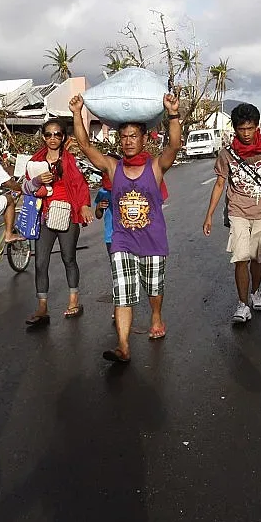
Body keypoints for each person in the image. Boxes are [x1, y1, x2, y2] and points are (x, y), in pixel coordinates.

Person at [70, 93, 182, 362]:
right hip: (122, 241)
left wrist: (173, 114)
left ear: (144, 139)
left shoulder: (155, 167)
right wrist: (76, 113)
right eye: (124, 137)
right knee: (122, 292)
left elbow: (174, 146)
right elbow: (84, 145)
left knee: (154, 289)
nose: (128, 141)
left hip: (153, 241)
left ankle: (156, 315)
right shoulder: (112, 167)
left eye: (134, 136)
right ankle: (123, 345)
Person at [202, 103, 261, 323]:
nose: (245, 133)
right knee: (240, 258)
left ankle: (256, 293)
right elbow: (219, 184)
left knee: (257, 257)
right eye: (241, 129)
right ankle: (242, 304)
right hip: (237, 210)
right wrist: (209, 215)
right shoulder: (227, 154)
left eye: (249, 128)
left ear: (257, 127)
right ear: (235, 129)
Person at [22, 119, 94, 326]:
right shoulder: (35, 162)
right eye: (48, 134)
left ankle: (74, 300)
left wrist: (83, 206)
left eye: (57, 134)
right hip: (45, 216)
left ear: (63, 138)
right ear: (43, 137)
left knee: (68, 259)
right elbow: (25, 188)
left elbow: (80, 184)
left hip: (68, 215)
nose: (53, 138)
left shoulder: (70, 161)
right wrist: (37, 182)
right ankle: (42, 307)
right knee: (40, 262)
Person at [94, 170, 113, 258]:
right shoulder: (103, 192)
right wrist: (98, 207)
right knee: (114, 265)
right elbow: (98, 215)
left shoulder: (127, 189)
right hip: (110, 236)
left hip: (128, 234)